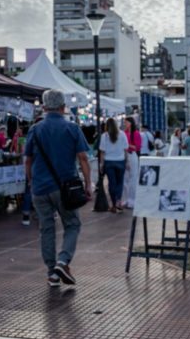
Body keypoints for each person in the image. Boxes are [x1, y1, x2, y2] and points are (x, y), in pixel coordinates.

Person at [24, 89, 92, 286]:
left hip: (40, 187)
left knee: (46, 228)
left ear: (44, 108)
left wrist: (30, 182)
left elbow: (28, 160)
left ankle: (52, 272)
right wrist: (88, 184)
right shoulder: (72, 128)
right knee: (72, 224)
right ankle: (63, 261)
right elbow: (83, 158)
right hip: (65, 188)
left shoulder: (34, 129)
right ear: (64, 107)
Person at [99, 117, 128, 212]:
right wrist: (127, 162)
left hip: (109, 162)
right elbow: (125, 150)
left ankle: (113, 204)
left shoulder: (105, 136)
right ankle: (118, 201)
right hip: (120, 161)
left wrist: (101, 164)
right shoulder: (122, 134)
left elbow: (102, 152)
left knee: (112, 183)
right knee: (120, 182)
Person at [121, 117, 141, 209]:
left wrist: (126, 145)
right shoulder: (123, 133)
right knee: (124, 178)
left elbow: (137, 147)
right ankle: (126, 199)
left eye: (126, 122)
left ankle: (132, 200)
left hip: (132, 155)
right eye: (124, 122)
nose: (124, 124)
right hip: (124, 156)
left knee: (133, 178)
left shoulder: (136, 133)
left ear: (131, 123)